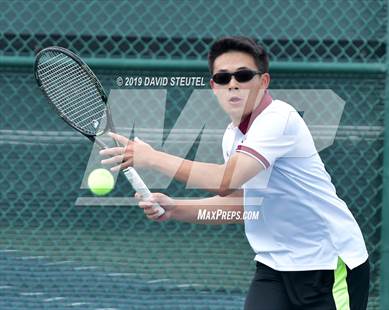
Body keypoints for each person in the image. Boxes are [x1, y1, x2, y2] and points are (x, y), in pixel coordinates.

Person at [100, 36, 370, 309]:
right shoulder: (232, 136)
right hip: (273, 267)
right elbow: (242, 203)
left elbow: (224, 181)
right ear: (213, 87)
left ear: (263, 82)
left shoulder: (279, 119)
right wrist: (175, 208)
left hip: (328, 265)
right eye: (222, 78)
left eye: (243, 75)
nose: (233, 84)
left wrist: (152, 157)